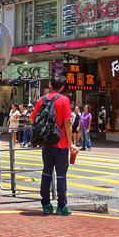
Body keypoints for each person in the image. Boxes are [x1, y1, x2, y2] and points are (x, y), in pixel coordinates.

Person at [31, 73, 79, 215]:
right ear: (62, 87)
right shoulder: (64, 100)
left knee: (46, 173)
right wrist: (71, 143)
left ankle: (45, 204)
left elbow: (32, 119)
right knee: (61, 176)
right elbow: (67, 123)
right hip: (61, 144)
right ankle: (61, 206)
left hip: (46, 144)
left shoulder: (42, 99)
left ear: (50, 85)